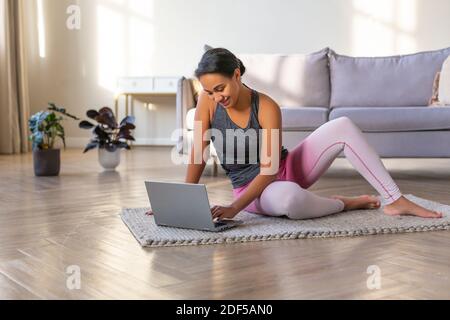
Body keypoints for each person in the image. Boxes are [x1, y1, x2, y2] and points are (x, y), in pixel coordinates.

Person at [151, 47, 444, 221]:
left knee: (342, 124)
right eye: (208, 91)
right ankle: (347, 202)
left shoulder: (266, 106)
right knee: (290, 200)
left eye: (221, 89)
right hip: (253, 193)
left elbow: (269, 170)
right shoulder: (207, 103)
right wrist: (181, 202)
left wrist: (232, 210)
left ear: (237, 76)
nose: (216, 97)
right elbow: (198, 155)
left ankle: (393, 199)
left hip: (285, 169)